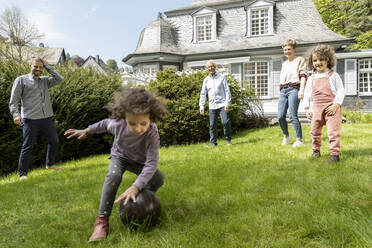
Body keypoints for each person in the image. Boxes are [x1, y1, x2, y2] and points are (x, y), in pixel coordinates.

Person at [64, 87, 167, 242]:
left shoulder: (152, 131)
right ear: (125, 117)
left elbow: (151, 163)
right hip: (120, 156)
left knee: (157, 179)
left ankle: (141, 202)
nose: (138, 129)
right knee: (114, 176)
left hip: (139, 161)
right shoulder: (118, 124)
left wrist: (136, 186)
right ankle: (101, 221)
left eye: (143, 123)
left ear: (150, 117)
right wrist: (87, 130)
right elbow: (105, 124)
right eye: (132, 123)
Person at [9, 57, 64, 180]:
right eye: (35, 66)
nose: (38, 69)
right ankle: (23, 174)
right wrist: (16, 114)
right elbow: (13, 100)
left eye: (40, 67)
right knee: (28, 146)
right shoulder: (21, 80)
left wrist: (47, 66)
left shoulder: (45, 81)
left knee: (54, 141)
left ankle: (49, 165)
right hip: (30, 120)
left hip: (46, 119)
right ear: (30, 66)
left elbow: (60, 79)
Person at [303, 44, 345, 162]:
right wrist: (307, 108)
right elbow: (307, 94)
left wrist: (336, 104)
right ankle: (316, 150)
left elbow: (341, 90)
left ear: (328, 60)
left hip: (331, 107)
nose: (318, 62)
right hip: (316, 108)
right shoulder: (311, 78)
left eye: (321, 59)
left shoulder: (333, 76)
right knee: (315, 131)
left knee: (333, 132)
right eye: (315, 60)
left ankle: (334, 155)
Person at [278, 39, 307, 147]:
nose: (287, 51)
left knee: (292, 115)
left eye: (289, 49)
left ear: (294, 49)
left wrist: (302, 90)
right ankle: (286, 136)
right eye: (285, 49)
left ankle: (300, 140)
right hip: (283, 90)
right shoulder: (284, 63)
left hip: (294, 89)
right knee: (280, 116)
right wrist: (281, 91)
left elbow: (303, 76)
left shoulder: (300, 60)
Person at [199, 60, 232, 147]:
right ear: (207, 69)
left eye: (212, 66)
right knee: (212, 125)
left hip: (222, 104)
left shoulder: (222, 77)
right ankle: (213, 143)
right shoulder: (206, 80)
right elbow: (203, 94)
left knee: (225, 122)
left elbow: (227, 91)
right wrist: (201, 106)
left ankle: (228, 140)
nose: (211, 68)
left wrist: (227, 104)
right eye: (209, 67)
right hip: (212, 105)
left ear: (215, 67)